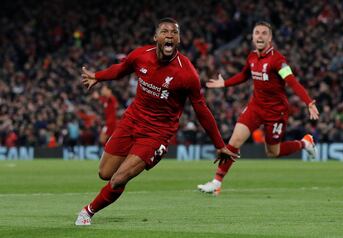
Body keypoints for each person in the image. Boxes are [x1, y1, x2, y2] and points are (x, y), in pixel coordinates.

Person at [75, 17, 238, 226]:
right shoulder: (141, 55)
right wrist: (98, 76)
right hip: (131, 120)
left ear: (178, 40)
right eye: (164, 31)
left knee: (119, 178)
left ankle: (88, 211)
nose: (169, 35)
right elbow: (121, 68)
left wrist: (220, 145)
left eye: (174, 32)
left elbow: (201, 110)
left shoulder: (187, 73)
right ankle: (110, 191)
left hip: (157, 133)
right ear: (156, 37)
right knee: (105, 173)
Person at [197, 21, 320, 195]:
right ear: (253, 37)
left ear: (270, 38)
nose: (260, 36)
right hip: (255, 107)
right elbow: (244, 75)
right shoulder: (252, 57)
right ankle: (216, 183)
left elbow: (291, 81)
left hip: (276, 112)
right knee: (234, 142)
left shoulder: (278, 60)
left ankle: (304, 143)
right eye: (257, 33)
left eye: (264, 33)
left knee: (273, 152)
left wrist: (308, 102)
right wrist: (225, 83)